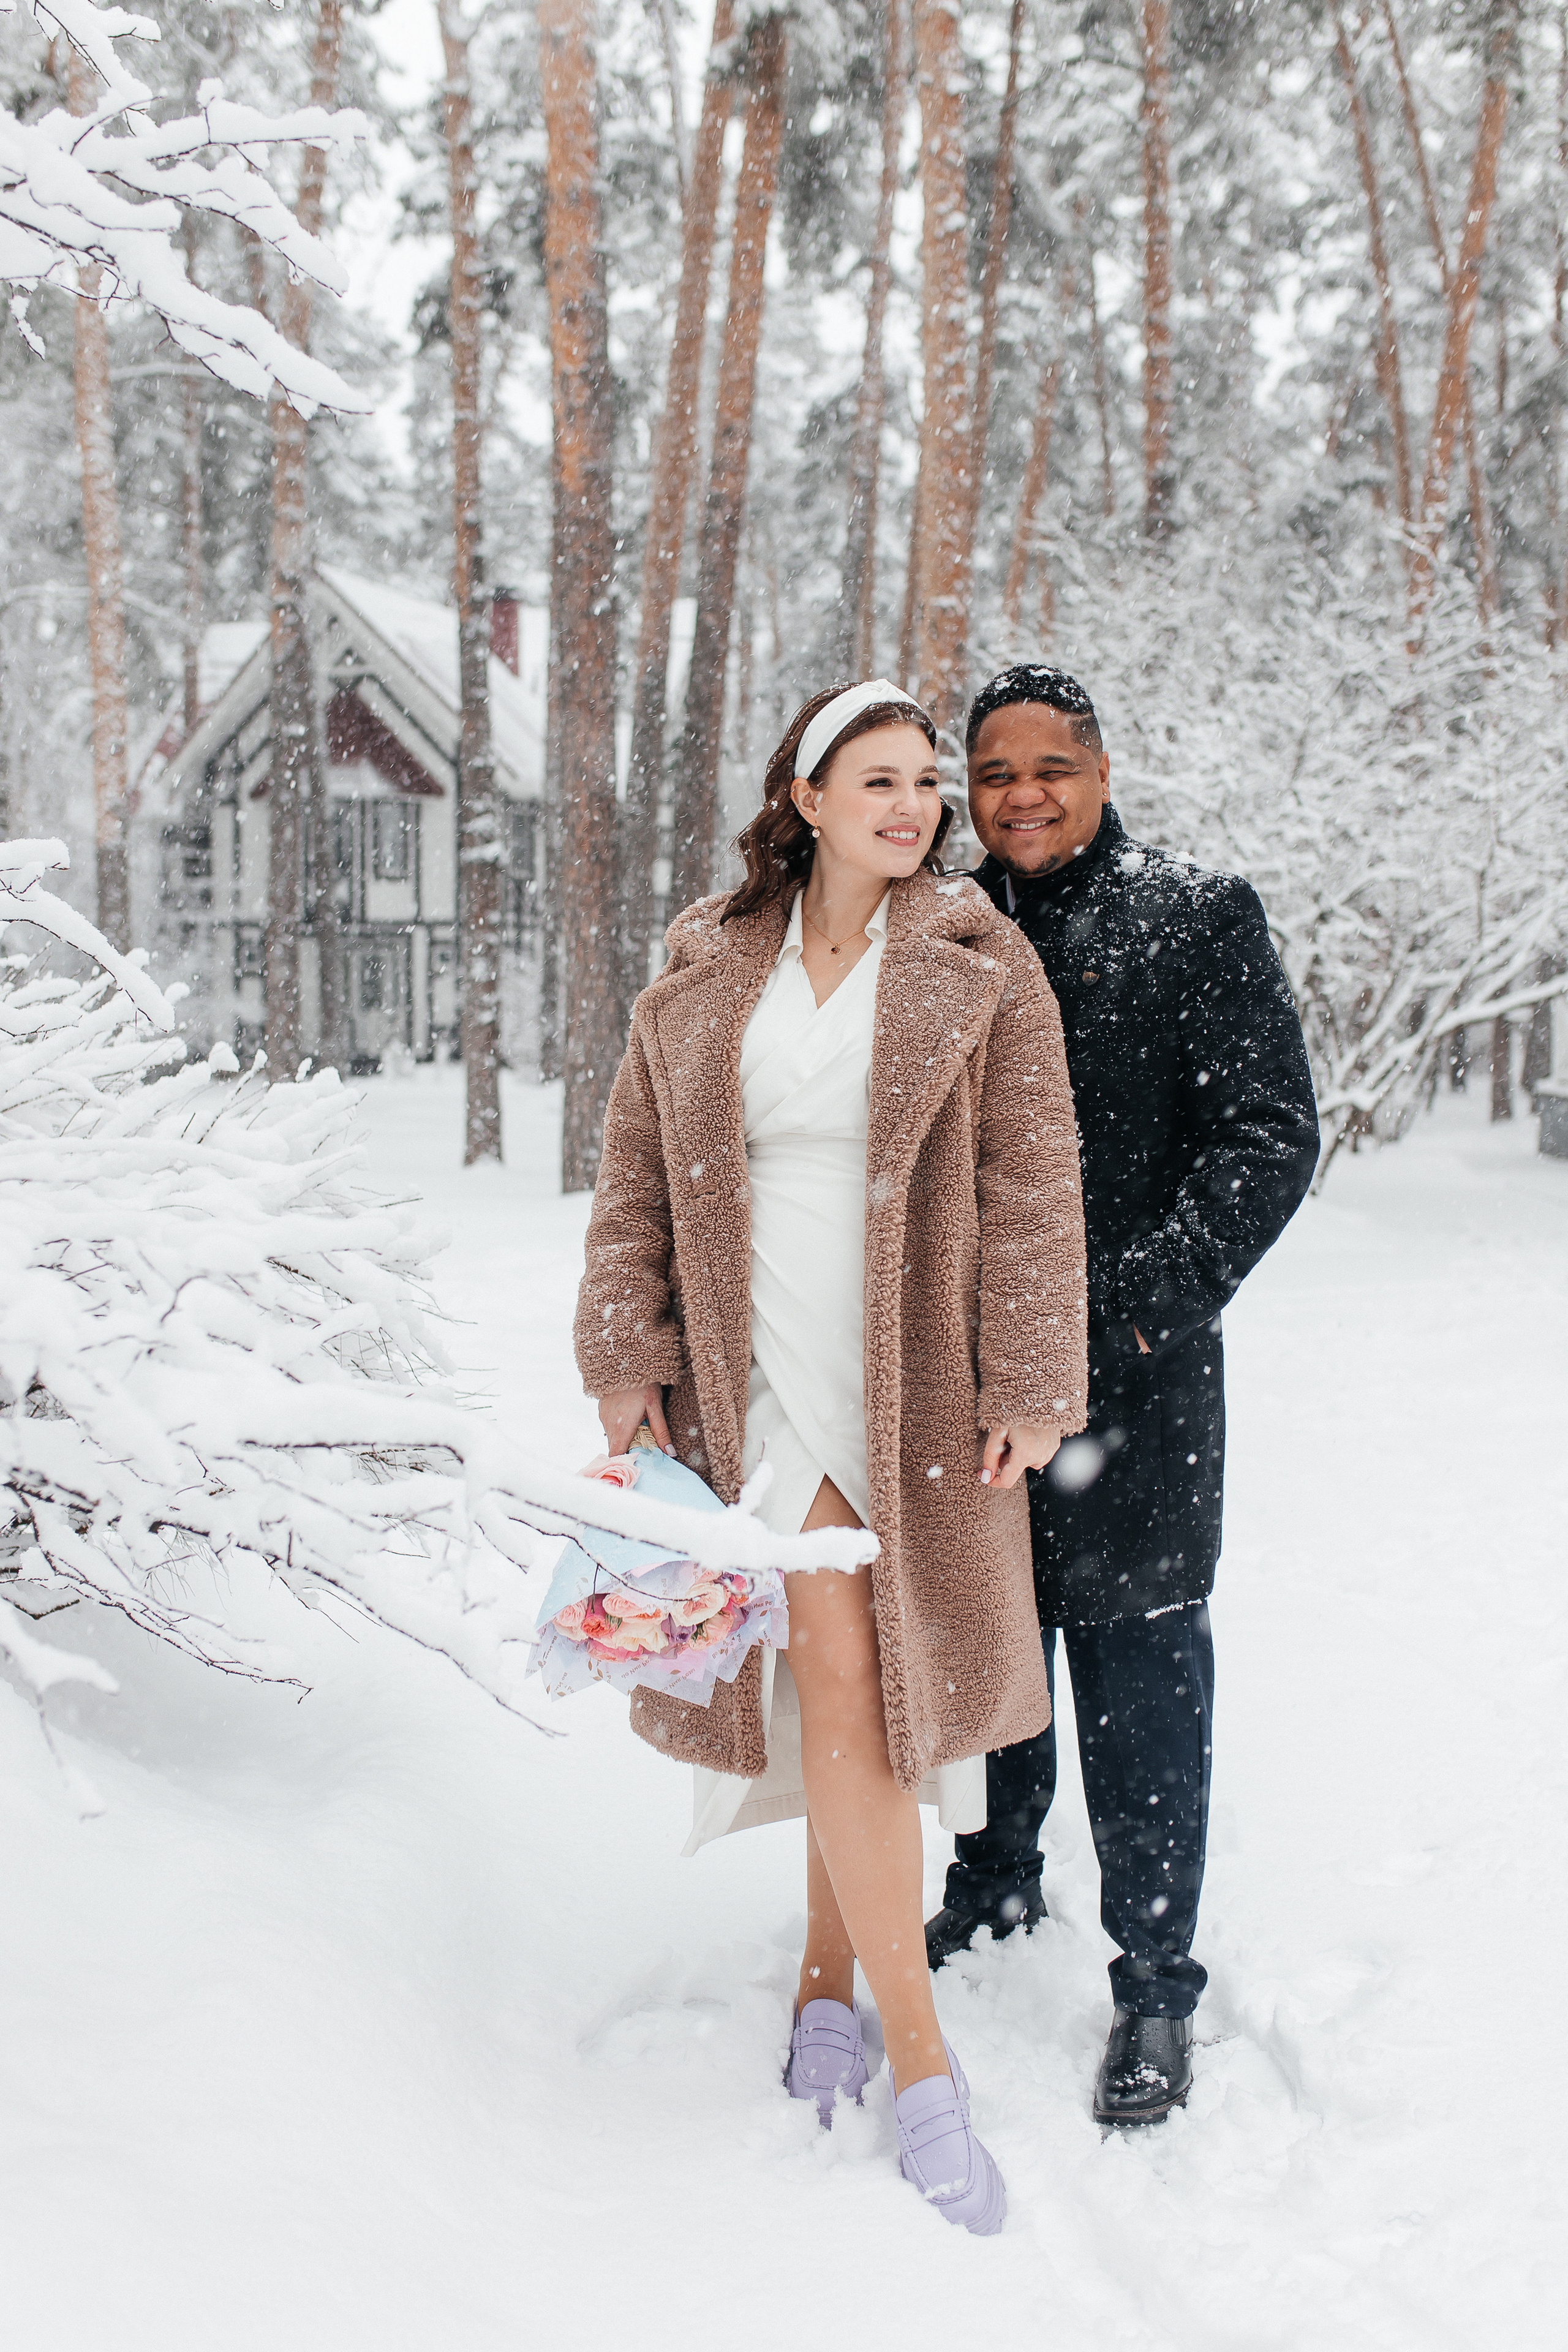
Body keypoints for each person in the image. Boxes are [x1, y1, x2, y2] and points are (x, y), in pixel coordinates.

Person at [575, 680, 1087, 2232]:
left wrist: (1031, 1374)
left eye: (923, 782)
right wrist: (627, 1355)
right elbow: (632, 1179)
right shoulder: (704, 968)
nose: (912, 805)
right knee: (841, 1671)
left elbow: (1029, 1174)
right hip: (756, 1376)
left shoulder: (976, 961)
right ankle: (921, 2066)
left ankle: (823, 1979)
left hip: (910, 1375)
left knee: (857, 1687)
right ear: (803, 797)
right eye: (875, 780)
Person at [926, 663, 1319, 2127]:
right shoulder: (939, 926)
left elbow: (1267, 1138)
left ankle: (1154, 1983)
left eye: (1049, 766)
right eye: (994, 770)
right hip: (963, 1389)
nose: (1020, 795)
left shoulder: (1195, 917)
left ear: (1099, 770)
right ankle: (992, 1887)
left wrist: (1122, 1315)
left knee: (1144, 1689)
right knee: (990, 1652)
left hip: (1137, 1393)